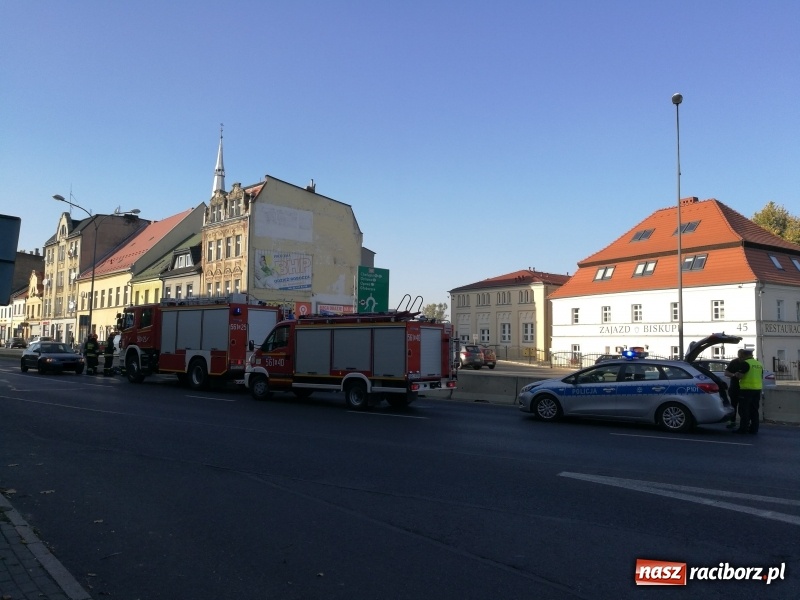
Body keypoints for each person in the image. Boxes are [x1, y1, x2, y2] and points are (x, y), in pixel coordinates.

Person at [733, 349, 764, 434]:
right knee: (754, 410)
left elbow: (740, 376)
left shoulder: (745, 363)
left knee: (744, 410)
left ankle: (743, 429)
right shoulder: (758, 364)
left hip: (746, 390)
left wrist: (736, 374)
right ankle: (754, 429)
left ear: (744, 355)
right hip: (757, 389)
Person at [723, 349, 748, 429]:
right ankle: (733, 422)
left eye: (742, 356)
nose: (741, 357)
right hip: (735, 388)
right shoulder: (734, 362)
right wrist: (733, 375)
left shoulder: (747, 363)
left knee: (742, 407)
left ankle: (743, 424)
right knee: (734, 406)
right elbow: (726, 373)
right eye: (740, 355)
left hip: (744, 388)